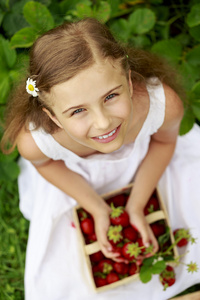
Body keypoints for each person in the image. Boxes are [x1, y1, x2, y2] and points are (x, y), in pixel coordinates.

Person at [1, 18, 200, 300]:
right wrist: (96, 207)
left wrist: (137, 203)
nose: (103, 122)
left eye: (110, 96)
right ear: (52, 116)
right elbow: (46, 165)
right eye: (78, 111)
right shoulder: (37, 143)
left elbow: (166, 141)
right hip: (78, 179)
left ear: (129, 82)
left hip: (149, 163)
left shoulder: (162, 106)